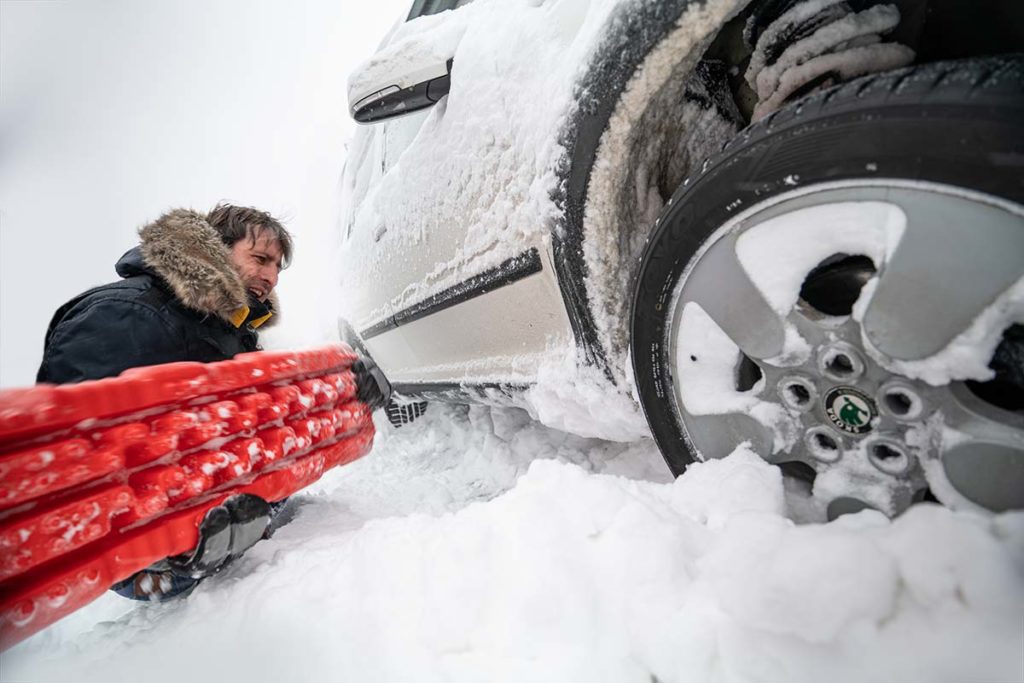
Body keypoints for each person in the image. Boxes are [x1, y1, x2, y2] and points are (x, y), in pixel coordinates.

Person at [37, 204, 387, 600]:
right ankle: (169, 566)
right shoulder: (127, 313)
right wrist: (163, 521)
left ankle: (204, 546)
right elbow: (77, 450)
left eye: (277, 268)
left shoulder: (227, 330)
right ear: (215, 248)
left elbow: (268, 412)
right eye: (260, 259)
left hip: (211, 504)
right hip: (138, 538)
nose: (271, 277)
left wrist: (347, 398)